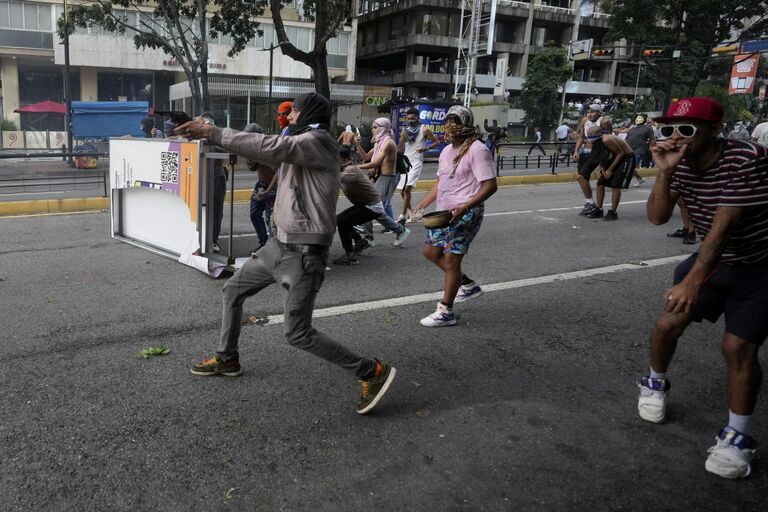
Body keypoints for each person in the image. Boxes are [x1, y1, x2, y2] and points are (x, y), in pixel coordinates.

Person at [177, 93, 397, 415]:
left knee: (298, 333)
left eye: (294, 110)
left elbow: (274, 147)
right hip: (277, 246)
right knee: (232, 291)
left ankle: (371, 371)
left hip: (304, 255)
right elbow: (270, 154)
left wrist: (214, 133)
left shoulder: (318, 141)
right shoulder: (298, 141)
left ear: (308, 113)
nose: (288, 116)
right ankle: (228, 358)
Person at [637, 96, 768, 479]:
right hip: (717, 262)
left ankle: (738, 438)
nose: (676, 136)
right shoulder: (679, 164)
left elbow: (723, 228)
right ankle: (654, 383)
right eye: (670, 128)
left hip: (760, 265)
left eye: (688, 129)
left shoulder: (746, 158)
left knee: (739, 347)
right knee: (667, 324)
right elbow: (658, 217)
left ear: (715, 131)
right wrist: (664, 172)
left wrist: (693, 282)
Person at [413, 105, 498, 327]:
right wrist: (422, 203)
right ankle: (468, 285)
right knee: (430, 252)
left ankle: (446, 312)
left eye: (455, 121)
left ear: (466, 124)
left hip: (466, 214)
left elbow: (490, 186)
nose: (449, 126)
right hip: (444, 213)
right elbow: (441, 182)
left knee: (451, 260)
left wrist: (465, 207)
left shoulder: (478, 150)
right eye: (447, 121)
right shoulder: (446, 151)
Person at [356, 117, 412, 248]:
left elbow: (375, 163)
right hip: (380, 178)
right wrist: (358, 145)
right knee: (369, 208)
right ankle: (369, 237)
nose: (373, 130)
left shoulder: (388, 143)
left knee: (374, 210)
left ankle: (400, 230)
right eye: (373, 127)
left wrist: (355, 167)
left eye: (375, 127)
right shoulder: (379, 142)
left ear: (383, 128)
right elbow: (365, 157)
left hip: (387, 179)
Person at [333, 147, 385, 265]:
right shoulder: (344, 169)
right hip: (365, 205)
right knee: (340, 220)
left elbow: (334, 179)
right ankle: (359, 241)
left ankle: (350, 256)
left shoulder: (350, 170)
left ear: (344, 159)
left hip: (372, 206)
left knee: (342, 223)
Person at [585, 119, 634, 220]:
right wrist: (602, 167)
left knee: (615, 185)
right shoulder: (597, 142)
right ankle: (599, 209)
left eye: (592, 135)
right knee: (600, 183)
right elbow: (603, 155)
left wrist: (610, 169)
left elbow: (620, 153)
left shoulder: (606, 140)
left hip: (625, 157)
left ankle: (613, 212)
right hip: (614, 157)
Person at [396, 108, 439, 224]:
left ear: (418, 117)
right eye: (408, 119)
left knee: (407, 188)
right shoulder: (405, 132)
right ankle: (411, 212)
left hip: (416, 162)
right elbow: (400, 147)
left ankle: (402, 216)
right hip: (406, 162)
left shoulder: (424, 130)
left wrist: (425, 148)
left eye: (412, 118)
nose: (410, 120)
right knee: (402, 191)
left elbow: (437, 142)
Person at [243, 123, 277, 251]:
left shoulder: (268, 148)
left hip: (272, 187)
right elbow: (252, 167)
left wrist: (269, 191)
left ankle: (271, 248)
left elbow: (278, 171)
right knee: (255, 214)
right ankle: (264, 242)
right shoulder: (256, 149)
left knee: (270, 220)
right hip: (261, 185)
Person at [199, 112, 227, 253]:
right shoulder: (199, 135)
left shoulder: (217, 134)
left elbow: (224, 149)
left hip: (216, 177)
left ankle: (213, 240)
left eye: (208, 124)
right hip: (203, 178)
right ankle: (202, 238)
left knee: (216, 211)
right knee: (202, 209)